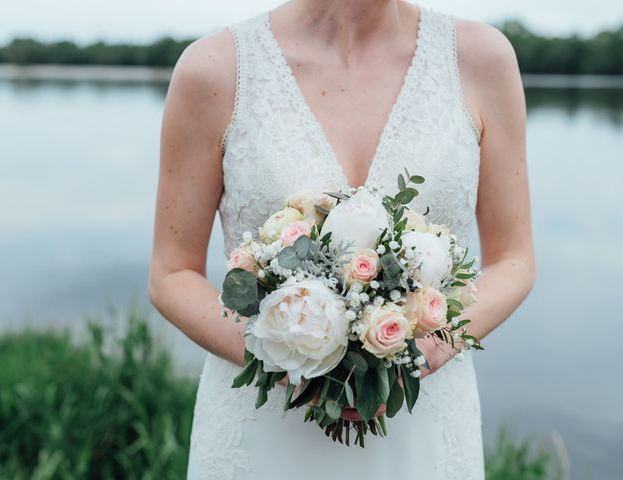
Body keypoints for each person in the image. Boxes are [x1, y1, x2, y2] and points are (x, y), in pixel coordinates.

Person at [148, 1, 535, 478]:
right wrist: (288, 354)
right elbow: (172, 273)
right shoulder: (216, 69)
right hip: (264, 432)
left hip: (425, 424)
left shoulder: (482, 59)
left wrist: (430, 346)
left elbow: (513, 260)